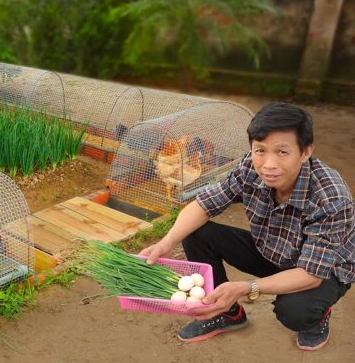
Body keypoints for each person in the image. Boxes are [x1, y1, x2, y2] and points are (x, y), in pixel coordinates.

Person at [142, 102, 353, 351]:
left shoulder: (331, 198)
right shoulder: (250, 167)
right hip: (273, 250)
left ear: (305, 152)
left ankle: (317, 319)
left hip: (321, 270)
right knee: (196, 232)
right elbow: (204, 204)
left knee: (294, 311)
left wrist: (247, 287)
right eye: (260, 150)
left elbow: (310, 274)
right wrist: (165, 243)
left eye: (282, 152)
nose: (269, 164)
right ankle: (227, 313)